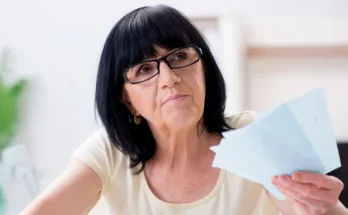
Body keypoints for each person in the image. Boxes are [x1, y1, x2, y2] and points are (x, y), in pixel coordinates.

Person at [20, 5, 347, 215]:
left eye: (178, 57)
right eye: (145, 70)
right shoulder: (110, 153)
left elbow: (310, 211)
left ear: (203, 68)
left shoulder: (255, 135)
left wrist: (326, 208)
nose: (170, 79)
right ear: (125, 98)